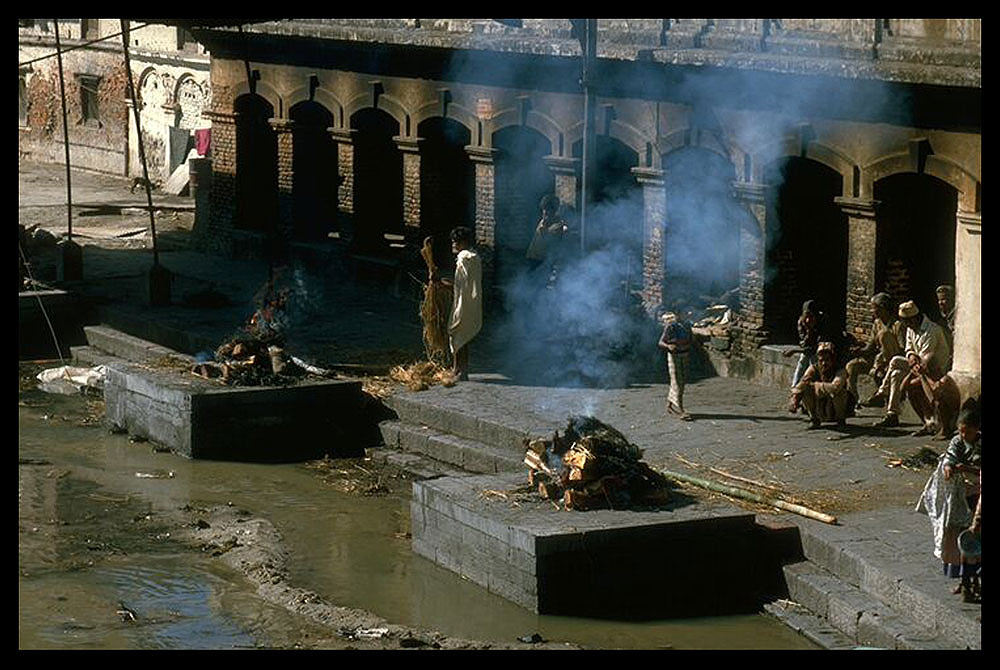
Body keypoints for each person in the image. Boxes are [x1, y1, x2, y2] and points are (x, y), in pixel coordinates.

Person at [918, 398, 980, 592]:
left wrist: (967, 468)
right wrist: (948, 466)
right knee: (959, 537)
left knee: (975, 539)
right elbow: (950, 456)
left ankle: (974, 580)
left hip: (977, 494)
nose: (964, 435)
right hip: (960, 494)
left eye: (967, 431)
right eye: (961, 431)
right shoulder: (957, 441)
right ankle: (963, 580)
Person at [872, 300, 951, 432]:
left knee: (896, 363)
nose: (905, 325)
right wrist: (911, 356)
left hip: (933, 368)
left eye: (907, 321)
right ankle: (893, 414)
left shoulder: (931, 330)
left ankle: (883, 392)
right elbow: (909, 348)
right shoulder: (910, 328)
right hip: (917, 365)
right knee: (896, 372)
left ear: (914, 319)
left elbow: (927, 359)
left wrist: (914, 361)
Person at [848, 293, 905, 408]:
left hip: (891, 359)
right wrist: (859, 351)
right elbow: (871, 346)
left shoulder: (897, 325)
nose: (872, 311)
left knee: (884, 335)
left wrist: (885, 361)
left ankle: (882, 396)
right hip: (876, 359)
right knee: (852, 366)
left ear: (883, 308)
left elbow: (901, 349)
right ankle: (853, 401)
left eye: (874, 308)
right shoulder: (877, 323)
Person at [444, 227, 482, 381]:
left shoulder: (465, 258)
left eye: (456, 241)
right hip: (470, 301)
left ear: (464, 242)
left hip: (464, 302)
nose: (453, 244)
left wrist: (446, 285)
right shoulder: (474, 257)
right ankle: (458, 369)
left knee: (458, 334)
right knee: (461, 336)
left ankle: (459, 370)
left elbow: (463, 283)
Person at [789, 341, 853, 429]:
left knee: (840, 393)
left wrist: (815, 386)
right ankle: (814, 419)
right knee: (805, 389)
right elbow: (803, 382)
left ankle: (840, 420)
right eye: (821, 360)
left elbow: (835, 387)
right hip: (820, 404)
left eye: (827, 360)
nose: (824, 363)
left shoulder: (840, 370)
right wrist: (794, 400)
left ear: (832, 359)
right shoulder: (814, 368)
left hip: (835, 406)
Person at [526, 194, 571, 285]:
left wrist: (545, 226)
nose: (544, 213)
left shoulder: (557, 225)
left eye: (547, 211)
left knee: (540, 286)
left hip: (543, 261)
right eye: (543, 210)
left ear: (553, 211)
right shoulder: (543, 221)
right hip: (533, 258)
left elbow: (549, 241)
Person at [783, 300, 826, 393]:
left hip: (821, 350)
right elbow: (805, 345)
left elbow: (817, 345)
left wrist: (794, 351)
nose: (808, 319)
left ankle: (813, 388)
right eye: (806, 315)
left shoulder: (822, 322)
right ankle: (795, 388)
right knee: (803, 360)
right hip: (809, 351)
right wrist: (808, 329)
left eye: (811, 316)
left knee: (813, 362)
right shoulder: (801, 323)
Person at [658, 311, 693, 421]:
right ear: (678, 315)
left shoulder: (687, 325)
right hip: (674, 356)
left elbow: (691, 339)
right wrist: (668, 346)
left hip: (685, 354)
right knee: (678, 381)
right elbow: (661, 342)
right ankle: (681, 410)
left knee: (680, 380)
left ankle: (670, 403)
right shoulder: (671, 327)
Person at [936, 284, 956, 370]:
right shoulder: (943, 320)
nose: (941, 303)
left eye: (944, 299)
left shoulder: (958, 317)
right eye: (939, 300)